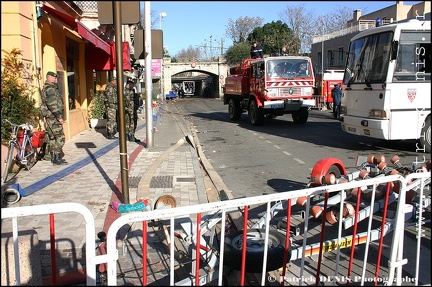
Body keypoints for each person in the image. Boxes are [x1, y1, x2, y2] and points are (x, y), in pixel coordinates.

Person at [40, 71, 67, 165]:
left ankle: (51, 157)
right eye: (53, 77)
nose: (55, 79)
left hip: (49, 116)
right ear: (49, 77)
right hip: (53, 117)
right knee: (60, 137)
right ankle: (56, 157)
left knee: (52, 137)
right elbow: (52, 105)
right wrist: (59, 117)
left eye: (56, 77)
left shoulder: (47, 88)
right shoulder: (50, 89)